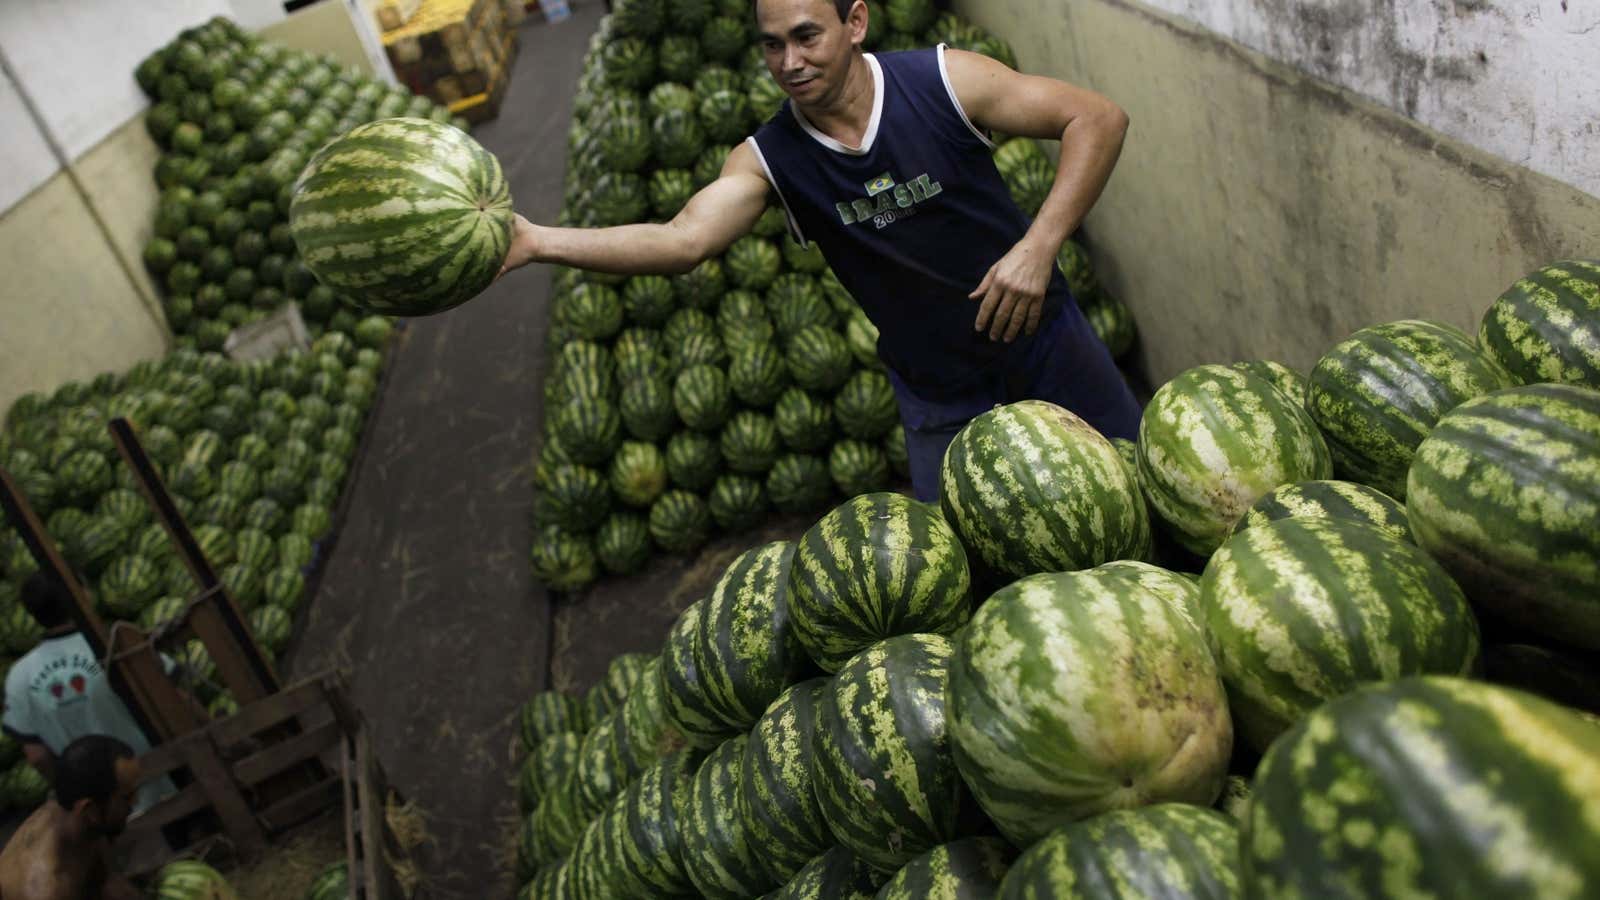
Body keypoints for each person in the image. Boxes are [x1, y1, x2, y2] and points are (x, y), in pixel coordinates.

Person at [499, 0, 1142, 501]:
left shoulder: (943, 80)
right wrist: (538, 241)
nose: (789, 62)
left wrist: (1039, 245)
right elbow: (682, 239)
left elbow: (1097, 119)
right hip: (939, 393)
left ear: (854, 22)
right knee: (976, 568)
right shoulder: (770, 159)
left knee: (1137, 490)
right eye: (772, 45)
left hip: (1046, 344)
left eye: (807, 36)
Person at [2, 573, 176, 817]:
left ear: (32, 614)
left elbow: (37, 757)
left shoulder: (20, 676)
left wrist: (72, 791)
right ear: (82, 595)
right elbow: (173, 698)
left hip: (106, 812)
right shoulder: (115, 641)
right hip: (166, 783)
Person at [0, 734, 144, 900]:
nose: (136, 802)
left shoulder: (72, 817)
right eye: (127, 797)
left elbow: (109, 881)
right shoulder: (46, 891)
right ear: (90, 810)